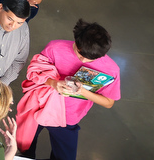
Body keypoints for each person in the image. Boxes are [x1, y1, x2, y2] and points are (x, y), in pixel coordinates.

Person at [17, 20, 120, 160]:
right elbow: (36, 72)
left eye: (91, 59)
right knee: (24, 150)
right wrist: (53, 83)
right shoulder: (55, 47)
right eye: (80, 53)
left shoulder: (111, 70)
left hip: (67, 118)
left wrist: (82, 91)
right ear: (76, 40)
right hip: (38, 107)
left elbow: (109, 102)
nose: (83, 60)